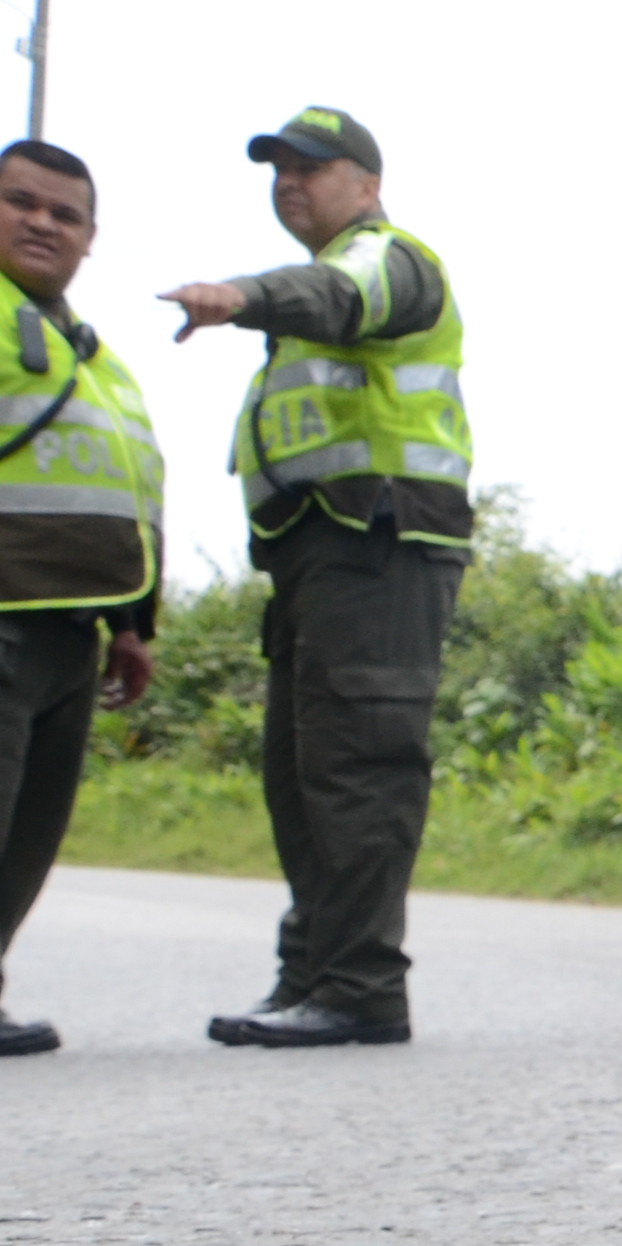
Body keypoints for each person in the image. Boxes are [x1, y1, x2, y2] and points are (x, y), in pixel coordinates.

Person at [158, 107, 467, 1050]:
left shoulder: (385, 262)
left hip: (380, 542)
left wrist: (241, 295)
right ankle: (313, 974)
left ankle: (361, 986)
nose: (289, 183)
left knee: (359, 767)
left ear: (368, 185)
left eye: (312, 167)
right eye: (278, 171)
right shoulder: (316, 299)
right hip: (316, 551)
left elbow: (339, 298)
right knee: (302, 775)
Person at [0, 141, 163, 1059]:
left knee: (29, 834)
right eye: (20, 202)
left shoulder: (96, 357)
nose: (42, 223)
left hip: (73, 632)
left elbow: (126, 494)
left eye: (64, 214)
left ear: (90, 238)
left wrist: (132, 627)